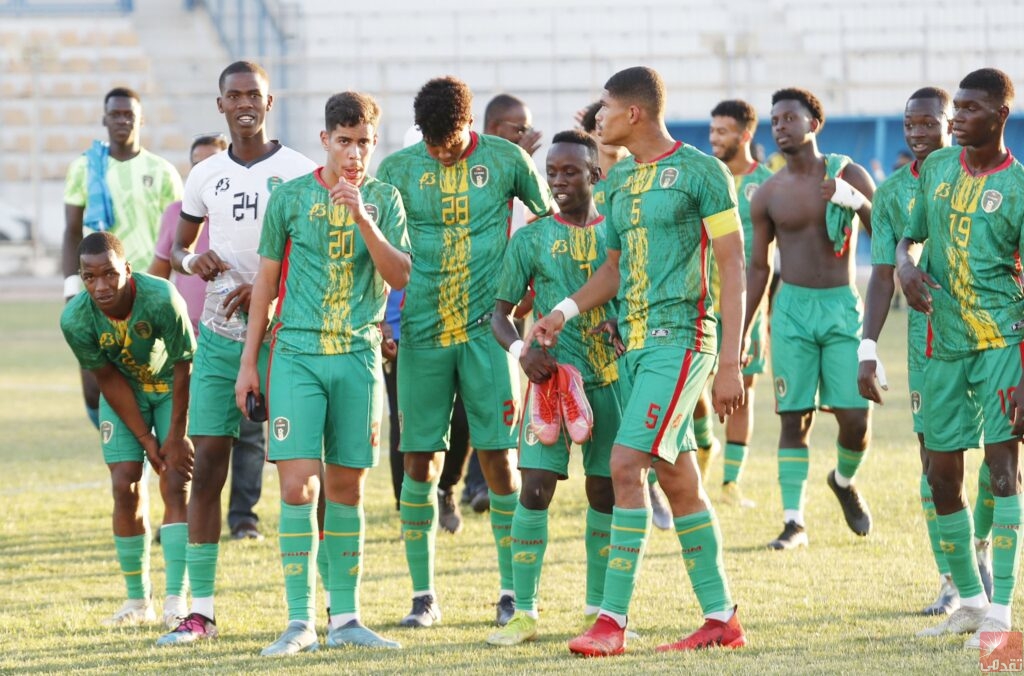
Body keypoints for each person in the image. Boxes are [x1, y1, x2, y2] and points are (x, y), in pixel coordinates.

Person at [528, 66, 748, 656]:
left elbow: (732, 265)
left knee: (625, 466)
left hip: (683, 340)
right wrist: (562, 313)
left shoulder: (703, 173)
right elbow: (615, 269)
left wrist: (731, 361)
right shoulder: (619, 185)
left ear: (634, 114)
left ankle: (611, 622)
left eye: (604, 108)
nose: (596, 118)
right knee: (679, 482)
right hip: (636, 346)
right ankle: (721, 617)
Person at [235, 90, 410, 656]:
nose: (353, 153)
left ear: (374, 143)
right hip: (298, 357)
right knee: (297, 486)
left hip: (358, 358)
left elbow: (400, 274)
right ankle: (297, 621)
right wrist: (248, 366)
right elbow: (264, 285)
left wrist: (361, 216)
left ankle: (347, 619)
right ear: (326, 141)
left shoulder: (385, 199)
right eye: (344, 141)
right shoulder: (288, 199)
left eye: (363, 142)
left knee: (346, 489)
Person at [376, 76, 553, 629]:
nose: (436, 151)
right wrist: (384, 317)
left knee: (499, 460)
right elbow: (375, 249)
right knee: (418, 461)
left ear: (468, 125)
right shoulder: (399, 169)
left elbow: (546, 228)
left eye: (446, 142)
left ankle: (511, 592)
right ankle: (423, 596)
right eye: (428, 142)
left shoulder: (506, 160)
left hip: (487, 336)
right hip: (421, 336)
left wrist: (526, 298)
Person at [156, 61, 317, 647]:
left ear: (269, 101)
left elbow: (315, 253)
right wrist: (189, 261)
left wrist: (270, 290)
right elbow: (178, 246)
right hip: (220, 339)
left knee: (301, 474)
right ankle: (199, 611)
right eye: (235, 95)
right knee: (206, 469)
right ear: (220, 104)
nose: (245, 102)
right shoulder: (204, 174)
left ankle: (319, 608)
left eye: (255, 94)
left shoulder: (300, 171)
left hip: (287, 338)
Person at [896, 67, 1024, 647]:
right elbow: (910, 235)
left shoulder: (1019, 187)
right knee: (941, 475)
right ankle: (969, 600)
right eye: (957, 109)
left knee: (1002, 473)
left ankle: (1001, 610)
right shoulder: (939, 169)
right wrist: (904, 265)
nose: (956, 119)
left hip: (1002, 342)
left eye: (970, 109)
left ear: (1000, 114)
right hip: (943, 343)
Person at [857, 87, 995, 616]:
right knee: (934, 460)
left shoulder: (977, 176)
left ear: (951, 123)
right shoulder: (893, 193)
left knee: (1000, 455)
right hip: (929, 343)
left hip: (989, 338)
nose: (916, 133)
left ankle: (980, 541)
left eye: (926, 123)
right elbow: (883, 276)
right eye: (908, 125)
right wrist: (867, 344)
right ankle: (952, 577)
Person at [486, 130, 620, 646]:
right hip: (549, 383)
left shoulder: (619, 233)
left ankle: (597, 610)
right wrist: (524, 352)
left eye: (571, 171)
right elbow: (499, 315)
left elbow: (631, 294)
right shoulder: (531, 238)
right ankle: (524, 612)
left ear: (595, 174)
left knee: (603, 491)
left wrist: (621, 328)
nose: (559, 181)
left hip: (610, 381)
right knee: (535, 490)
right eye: (553, 172)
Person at [745, 87, 876, 550]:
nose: (780, 126)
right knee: (792, 417)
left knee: (855, 420)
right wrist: (745, 326)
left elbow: (886, 232)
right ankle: (793, 521)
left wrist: (853, 199)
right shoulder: (767, 194)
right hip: (793, 311)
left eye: (789, 118)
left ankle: (842, 481)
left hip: (841, 305)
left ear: (813, 124)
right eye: (774, 120)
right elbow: (758, 267)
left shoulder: (848, 172)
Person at [60, 231, 194, 629]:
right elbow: (106, 378)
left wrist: (174, 436)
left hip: (171, 387)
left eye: (109, 274)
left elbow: (186, 364)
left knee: (174, 481)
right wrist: (146, 440)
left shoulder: (162, 297)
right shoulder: (76, 319)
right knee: (124, 484)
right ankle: (138, 600)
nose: (100, 286)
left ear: (127, 270)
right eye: (89, 277)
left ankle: (176, 599)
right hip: (125, 395)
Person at [149, 133, 267, 542]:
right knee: (199, 433)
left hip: (249, 328)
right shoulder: (178, 213)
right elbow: (164, 264)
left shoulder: (255, 206)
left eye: (212, 163)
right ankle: (179, 516)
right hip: (194, 332)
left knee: (251, 429)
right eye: (198, 165)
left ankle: (243, 517)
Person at [578, 100, 677, 530]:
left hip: (646, 319)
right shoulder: (589, 185)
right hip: (593, 318)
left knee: (648, 422)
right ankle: (639, 484)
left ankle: (651, 481)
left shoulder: (643, 179)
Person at [62, 87, 183, 430]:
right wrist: (72, 287)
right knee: (92, 386)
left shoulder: (162, 171)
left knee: (149, 377)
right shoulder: (85, 168)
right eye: (115, 114)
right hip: (98, 289)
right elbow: (72, 230)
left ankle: (138, 452)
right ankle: (118, 438)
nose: (122, 120)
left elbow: (179, 231)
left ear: (141, 118)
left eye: (128, 114)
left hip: (147, 289)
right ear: (104, 119)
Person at [707, 99, 775, 508]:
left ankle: (731, 484)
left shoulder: (767, 183)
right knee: (691, 392)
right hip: (700, 305)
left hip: (748, 309)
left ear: (745, 135)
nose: (714, 138)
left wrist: (757, 319)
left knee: (742, 393)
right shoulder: (704, 176)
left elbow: (770, 258)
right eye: (712, 130)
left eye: (723, 131)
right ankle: (698, 453)